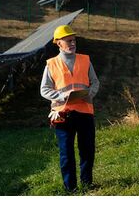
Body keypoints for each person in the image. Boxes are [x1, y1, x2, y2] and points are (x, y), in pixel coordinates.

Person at [40, 24, 100, 192]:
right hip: (62, 115)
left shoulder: (85, 60)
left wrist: (90, 94)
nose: (72, 43)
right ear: (58, 43)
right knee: (66, 153)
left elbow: (95, 82)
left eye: (73, 40)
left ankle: (87, 184)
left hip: (85, 112)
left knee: (87, 150)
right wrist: (62, 96)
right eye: (68, 41)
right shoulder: (51, 64)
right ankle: (70, 188)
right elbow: (44, 89)